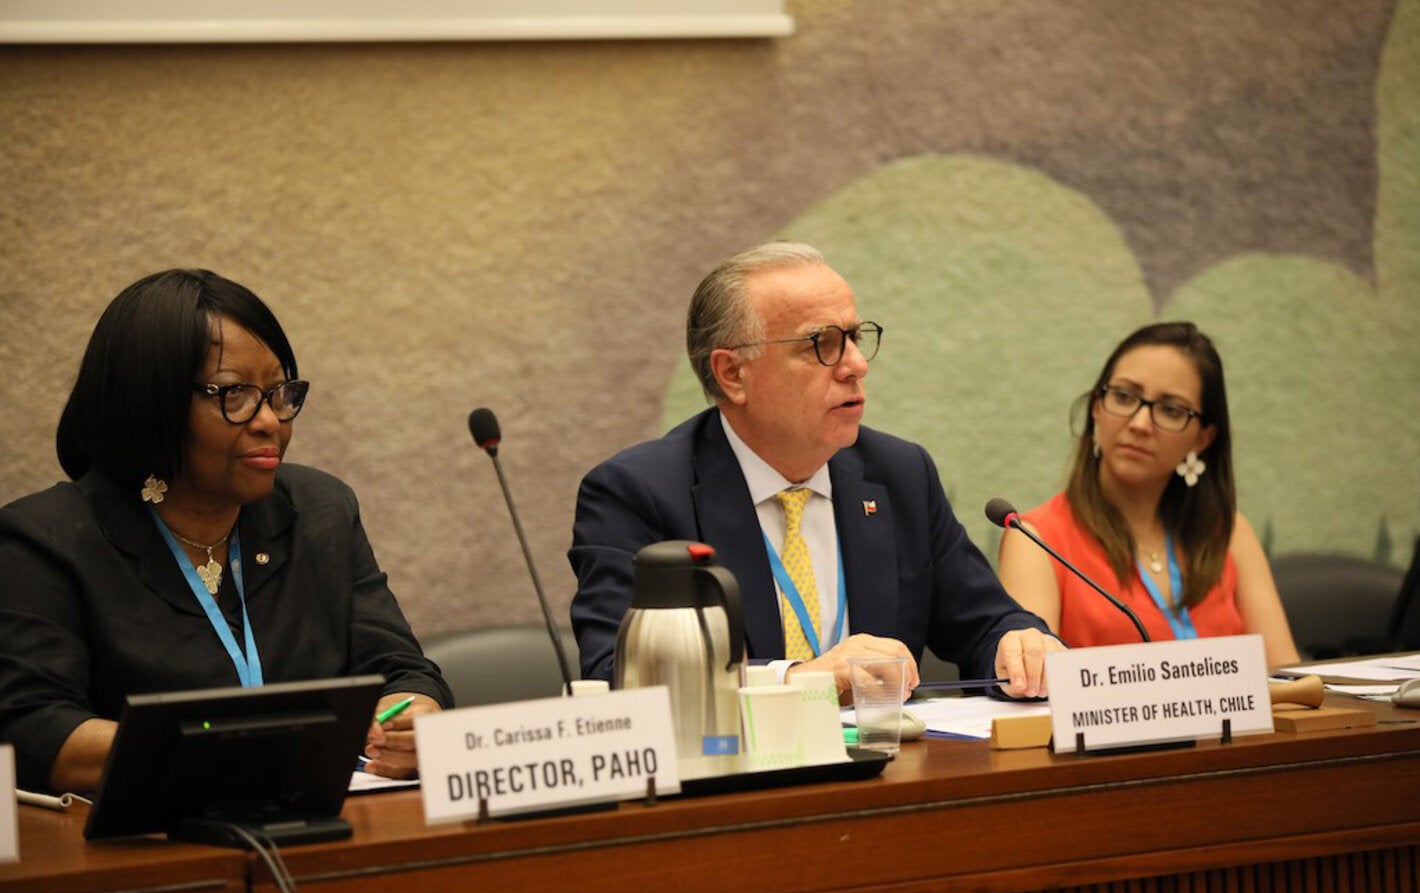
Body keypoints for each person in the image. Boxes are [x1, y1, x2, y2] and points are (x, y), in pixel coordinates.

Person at [0, 269, 452, 793]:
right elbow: (34, 730)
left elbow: (402, 670)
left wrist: (416, 717)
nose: (270, 421)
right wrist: (241, 753)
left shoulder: (319, 510)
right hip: (146, 848)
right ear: (151, 403)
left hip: (333, 825)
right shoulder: (45, 540)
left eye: (280, 391)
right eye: (235, 394)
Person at [569, 241, 1062, 702]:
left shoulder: (899, 475)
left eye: (855, 337)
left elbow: (983, 622)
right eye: (821, 344)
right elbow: (621, 678)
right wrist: (803, 682)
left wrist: (1018, 643)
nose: (854, 365)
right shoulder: (639, 494)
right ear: (732, 374)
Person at [996, 321, 1300, 667]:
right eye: (1124, 397)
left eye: (1170, 410)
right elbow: (1032, 686)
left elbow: (1288, 678)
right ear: (1096, 408)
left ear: (1202, 439)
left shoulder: (1230, 533)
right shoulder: (1036, 540)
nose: (1140, 423)